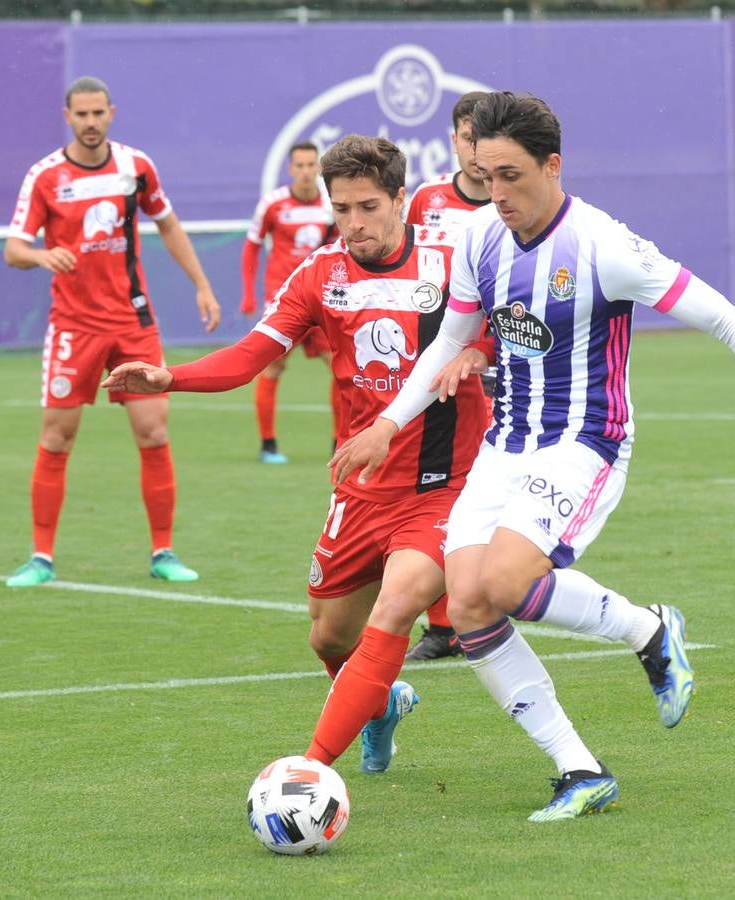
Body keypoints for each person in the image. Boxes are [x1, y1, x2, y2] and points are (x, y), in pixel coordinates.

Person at [329, 92, 735, 822]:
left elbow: (726, 318)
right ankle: (578, 768)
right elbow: (450, 341)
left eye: (512, 176)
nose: (498, 194)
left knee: (505, 579)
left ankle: (650, 629)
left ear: (553, 166)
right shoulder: (478, 239)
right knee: (465, 606)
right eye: (486, 176)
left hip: (583, 444)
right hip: (506, 444)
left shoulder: (604, 247)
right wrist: (389, 424)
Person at [104, 135, 493, 774]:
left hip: (442, 484)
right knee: (329, 636)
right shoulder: (320, 273)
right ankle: (379, 705)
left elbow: (512, 332)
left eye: (368, 206)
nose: (355, 223)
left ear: (402, 199)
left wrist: (479, 353)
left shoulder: (454, 265)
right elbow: (251, 356)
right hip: (362, 484)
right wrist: (170, 376)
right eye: (342, 210)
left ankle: (310, 771)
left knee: (396, 607)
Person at [3, 75, 220, 588]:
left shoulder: (135, 167)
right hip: (73, 327)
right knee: (57, 438)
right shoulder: (45, 176)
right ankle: (41, 557)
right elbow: (13, 249)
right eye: (81, 114)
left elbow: (167, 223)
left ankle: (163, 551)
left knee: (154, 431)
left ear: (112, 113)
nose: (91, 122)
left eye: (99, 113)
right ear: (67, 117)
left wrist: (201, 284)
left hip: (132, 322)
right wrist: (39, 254)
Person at [401, 91, 493, 662]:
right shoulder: (428, 201)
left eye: (484, 138)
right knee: (437, 482)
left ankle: (474, 608)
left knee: (477, 485)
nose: (475, 150)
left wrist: (484, 348)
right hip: (435, 362)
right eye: (466, 137)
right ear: (454, 140)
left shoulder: (511, 206)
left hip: (499, 359)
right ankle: (447, 622)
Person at [240, 142, 343, 463]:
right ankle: (268, 444)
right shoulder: (272, 204)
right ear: (290, 169)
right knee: (273, 366)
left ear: (319, 168)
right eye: (299, 165)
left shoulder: (331, 205)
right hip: (284, 300)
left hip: (321, 297)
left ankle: (339, 442)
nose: (305, 171)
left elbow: (337, 247)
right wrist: (249, 294)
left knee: (341, 367)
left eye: (311, 165)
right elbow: (252, 247)